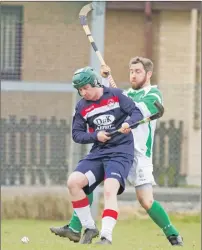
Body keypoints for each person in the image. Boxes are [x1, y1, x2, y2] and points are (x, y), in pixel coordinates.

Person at [50, 57, 183, 246]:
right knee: (86, 183)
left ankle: (173, 234)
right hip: (116, 148)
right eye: (131, 71)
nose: (133, 75)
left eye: (138, 71)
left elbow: (137, 109)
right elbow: (107, 98)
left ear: (148, 74)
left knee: (146, 201)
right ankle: (77, 227)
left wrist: (123, 107)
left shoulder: (153, 94)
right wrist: (105, 78)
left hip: (138, 152)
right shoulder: (126, 93)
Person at [61, 66, 144, 245]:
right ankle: (89, 227)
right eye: (80, 90)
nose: (83, 93)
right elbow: (77, 134)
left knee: (109, 188)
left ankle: (106, 236)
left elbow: (136, 112)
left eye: (85, 88)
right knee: (73, 182)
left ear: (95, 83)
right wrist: (95, 136)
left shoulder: (116, 95)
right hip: (99, 153)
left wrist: (129, 123)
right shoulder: (82, 106)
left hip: (121, 153)